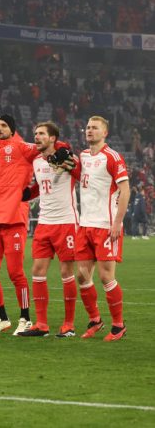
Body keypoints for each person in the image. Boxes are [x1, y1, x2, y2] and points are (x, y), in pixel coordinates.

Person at [0, 115, 42, 335]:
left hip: (14, 218)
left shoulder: (22, 147)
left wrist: (61, 147)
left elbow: (46, 145)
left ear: (12, 129)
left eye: (3, 125)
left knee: (15, 272)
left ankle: (25, 318)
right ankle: (1, 318)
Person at [19, 122, 79, 337]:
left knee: (66, 272)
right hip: (44, 223)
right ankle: (41, 325)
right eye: (35, 133)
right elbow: (41, 186)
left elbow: (79, 171)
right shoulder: (36, 160)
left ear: (52, 138)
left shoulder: (67, 157)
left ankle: (69, 325)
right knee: (37, 271)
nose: (36, 137)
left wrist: (64, 151)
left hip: (66, 222)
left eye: (41, 133)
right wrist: (27, 194)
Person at [75, 116, 130, 341]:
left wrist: (117, 222)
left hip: (106, 225)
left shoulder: (113, 157)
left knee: (106, 276)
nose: (90, 130)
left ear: (104, 132)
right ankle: (95, 319)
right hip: (85, 224)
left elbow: (125, 191)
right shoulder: (83, 156)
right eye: (87, 127)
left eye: (95, 128)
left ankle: (118, 325)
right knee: (81, 275)